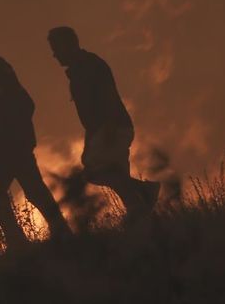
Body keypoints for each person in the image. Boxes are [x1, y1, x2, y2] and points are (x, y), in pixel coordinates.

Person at [0, 28, 71, 247]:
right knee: (34, 188)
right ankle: (61, 232)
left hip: (12, 140)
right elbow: (7, 104)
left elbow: (8, 104)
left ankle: (18, 242)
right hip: (16, 138)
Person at [47, 26, 160, 218]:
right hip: (107, 129)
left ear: (68, 45)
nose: (54, 55)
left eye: (56, 48)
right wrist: (91, 139)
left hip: (113, 128)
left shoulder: (89, 66)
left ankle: (144, 197)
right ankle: (142, 215)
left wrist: (108, 129)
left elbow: (107, 97)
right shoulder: (79, 69)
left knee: (94, 172)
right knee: (117, 177)